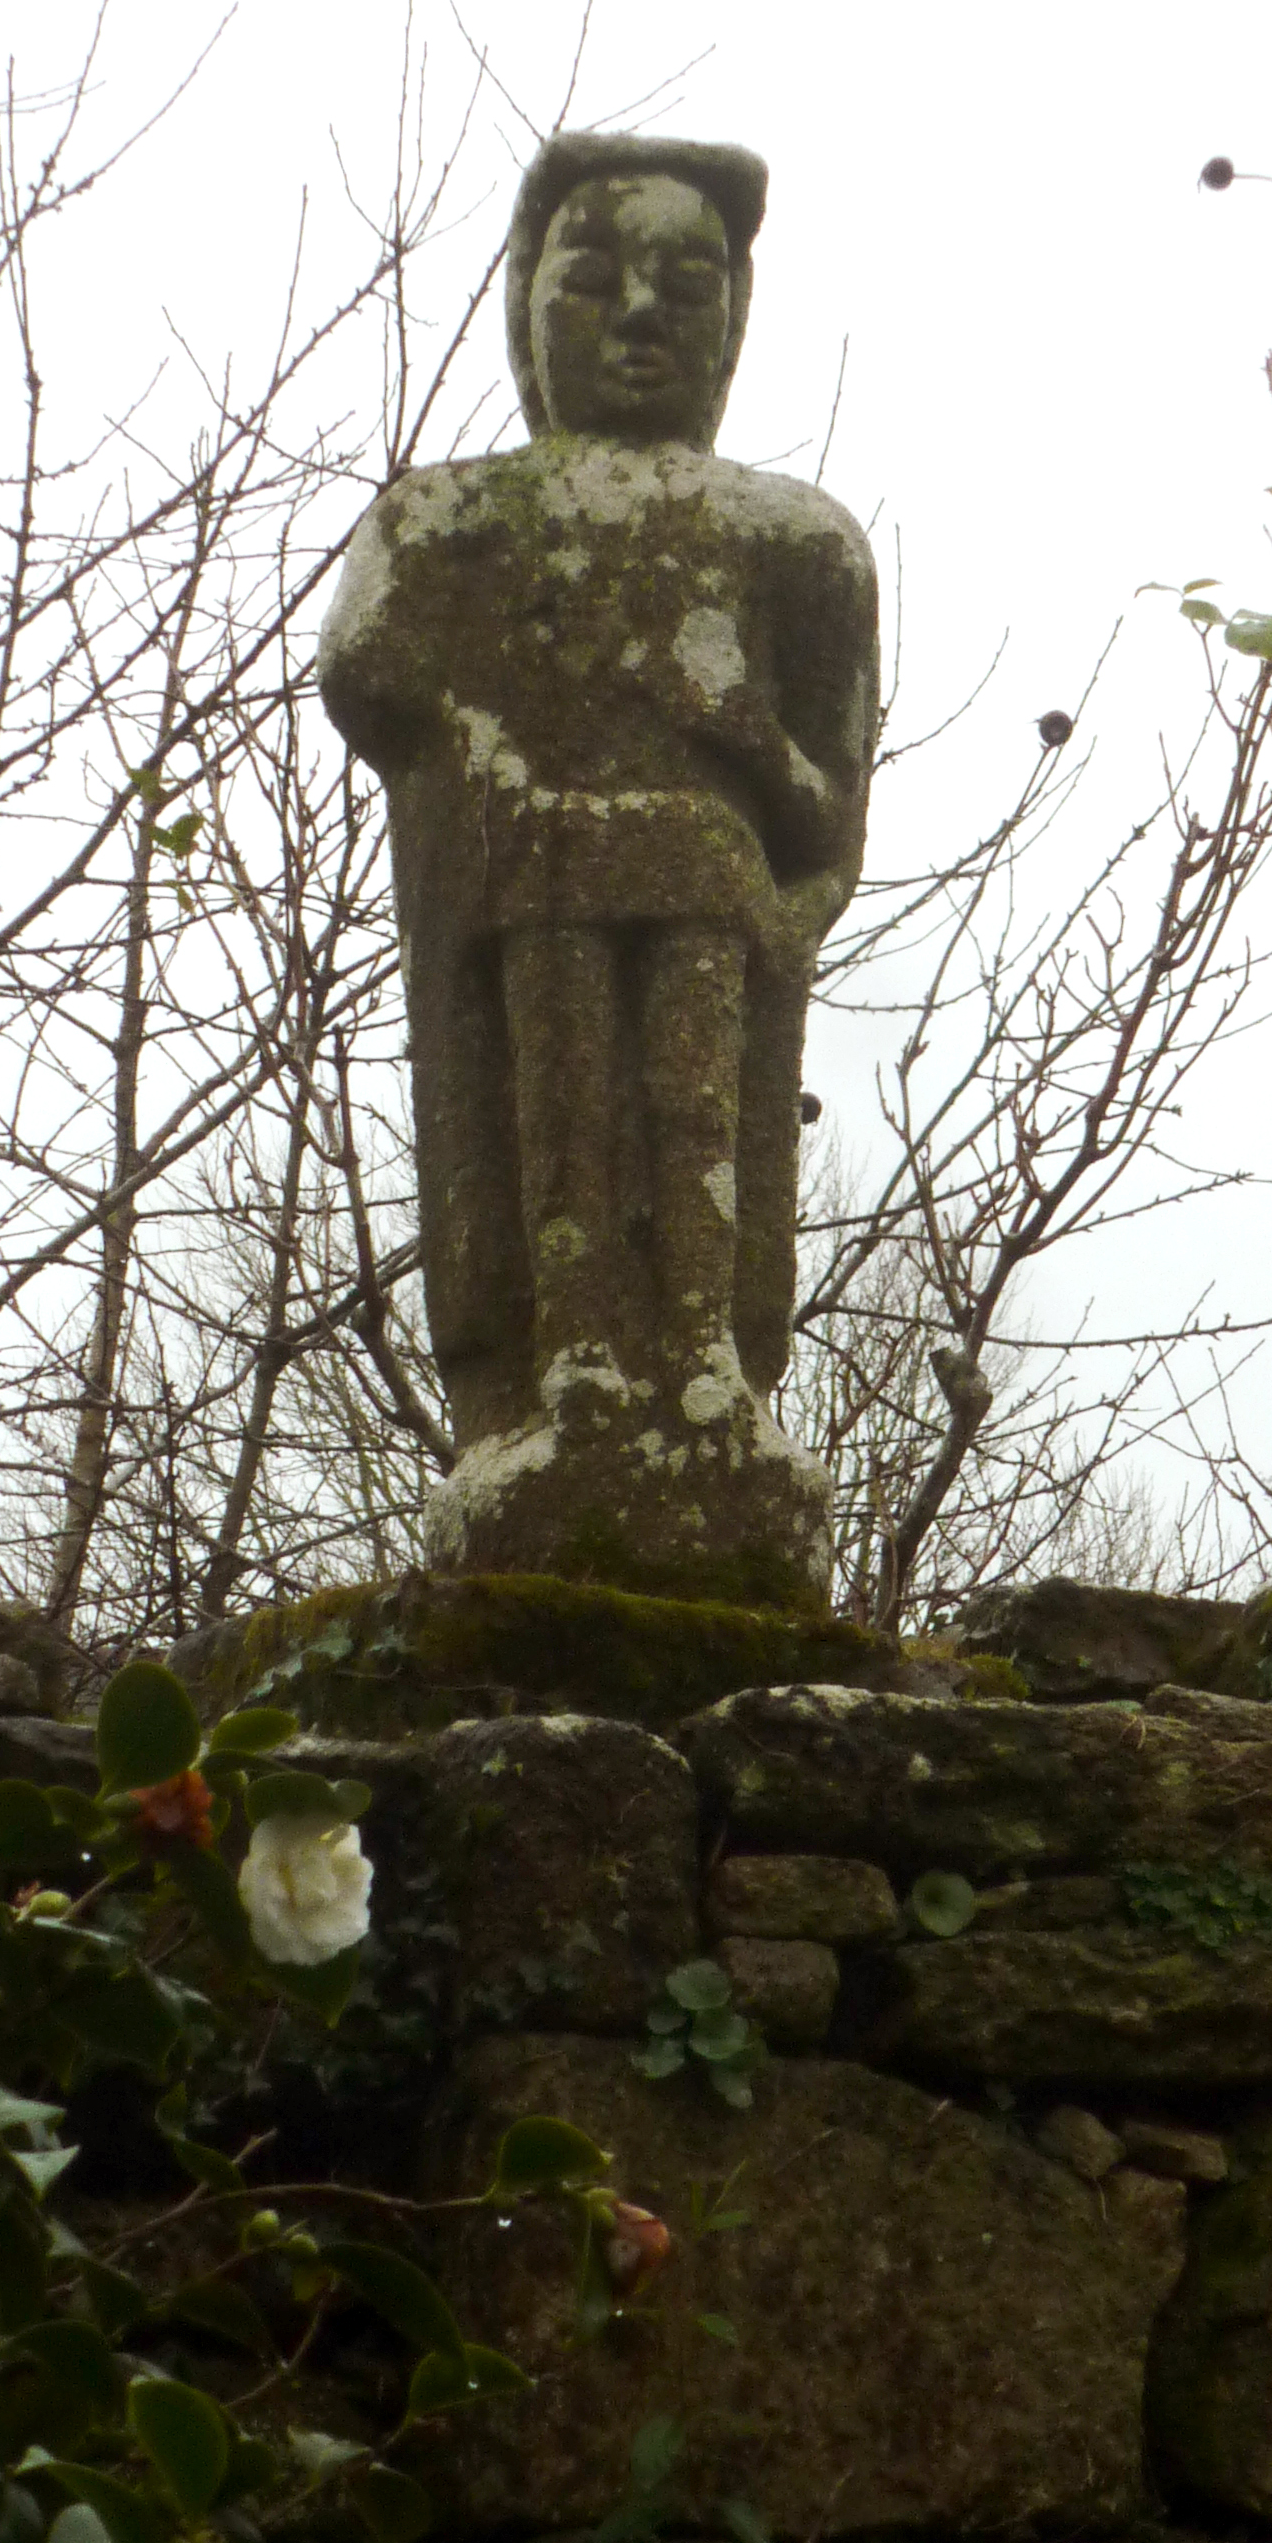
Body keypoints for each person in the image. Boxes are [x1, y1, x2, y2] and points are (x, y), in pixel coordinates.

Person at [319, 133, 878, 1599]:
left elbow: (826, 822)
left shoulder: (794, 541)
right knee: (559, 1107)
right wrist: (482, 758)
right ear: (528, 307)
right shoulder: (447, 522)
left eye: (685, 285)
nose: (639, 314)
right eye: (594, 278)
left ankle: (704, 1360)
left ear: (732, 320)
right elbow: (369, 665)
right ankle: (567, 1363)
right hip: (539, 875)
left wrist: (743, 737)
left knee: (696, 1113)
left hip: (706, 885)